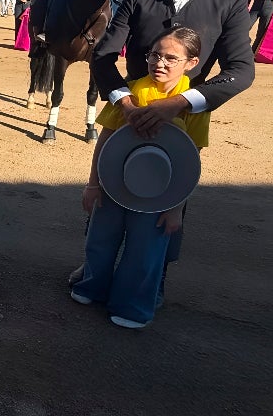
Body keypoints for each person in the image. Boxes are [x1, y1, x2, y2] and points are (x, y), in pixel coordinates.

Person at [82, 0, 255, 293]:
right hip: (131, 115)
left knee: (166, 205)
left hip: (181, 124)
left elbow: (241, 71)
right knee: (110, 195)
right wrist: (125, 102)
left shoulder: (227, 5)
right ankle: (95, 273)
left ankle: (153, 278)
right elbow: (102, 57)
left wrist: (178, 104)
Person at [73, 26, 207, 328]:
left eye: (171, 58)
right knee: (100, 239)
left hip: (161, 193)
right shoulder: (129, 93)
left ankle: (133, 306)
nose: (159, 63)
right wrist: (94, 184)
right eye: (154, 55)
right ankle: (91, 286)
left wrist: (175, 207)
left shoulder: (194, 103)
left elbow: (191, 157)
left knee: (146, 251)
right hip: (114, 182)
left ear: (191, 63)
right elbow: (106, 140)